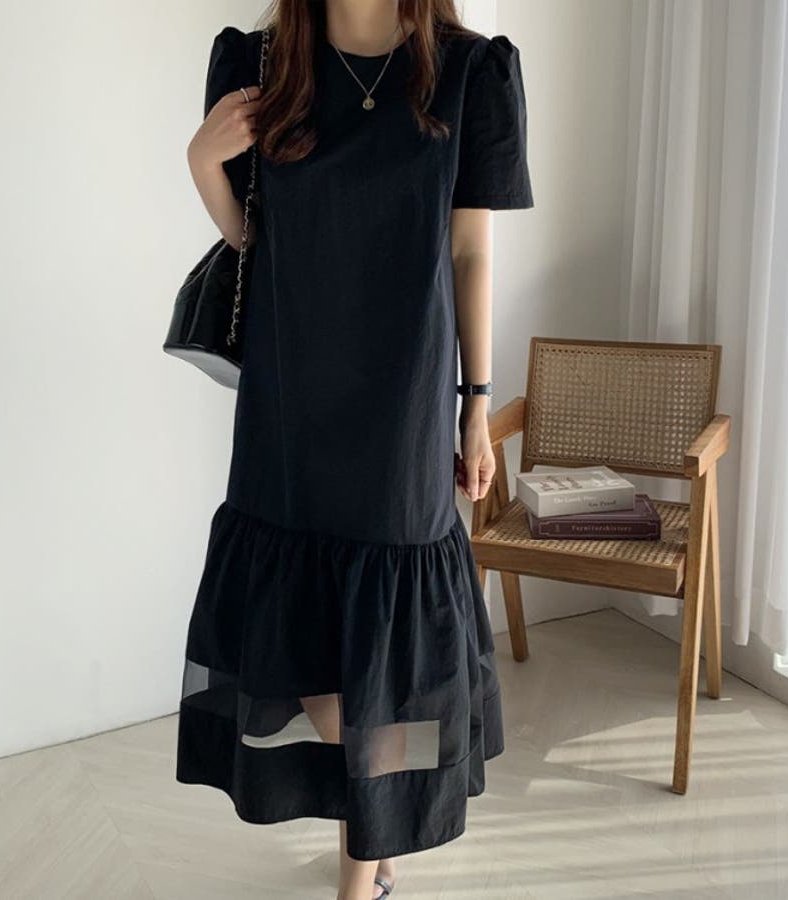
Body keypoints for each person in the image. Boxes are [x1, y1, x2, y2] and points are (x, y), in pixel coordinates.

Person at [175, 1, 534, 898]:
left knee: (388, 649)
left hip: (403, 397)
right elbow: (254, 238)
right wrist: (202, 163)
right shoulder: (260, 64)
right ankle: (373, 842)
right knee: (315, 654)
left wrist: (475, 404)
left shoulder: (470, 72)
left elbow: (470, 252)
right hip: (290, 393)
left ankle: (363, 868)